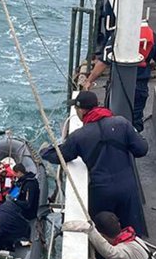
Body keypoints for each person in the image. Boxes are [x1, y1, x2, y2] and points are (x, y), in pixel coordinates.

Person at [40, 91, 149, 236]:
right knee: (132, 233)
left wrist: (44, 151)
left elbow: (60, 155)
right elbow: (141, 150)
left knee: (103, 234)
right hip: (127, 188)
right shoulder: (121, 123)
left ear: (81, 110)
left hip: (101, 192)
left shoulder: (79, 136)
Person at [81, 21, 156, 132]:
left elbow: (103, 62)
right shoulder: (153, 37)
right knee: (135, 119)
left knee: (110, 115)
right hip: (140, 86)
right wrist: (147, 64)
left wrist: (89, 81)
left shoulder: (118, 35)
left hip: (117, 84)